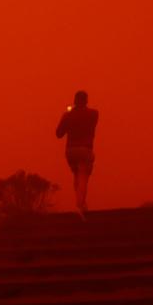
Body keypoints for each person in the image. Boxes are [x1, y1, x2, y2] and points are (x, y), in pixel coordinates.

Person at [55, 90, 100, 219]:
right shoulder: (93, 114)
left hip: (70, 150)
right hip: (85, 149)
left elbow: (58, 134)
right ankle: (80, 205)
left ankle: (81, 203)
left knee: (77, 175)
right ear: (86, 101)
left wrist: (68, 115)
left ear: (74, 101)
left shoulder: (68, 115)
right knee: (83, 176)